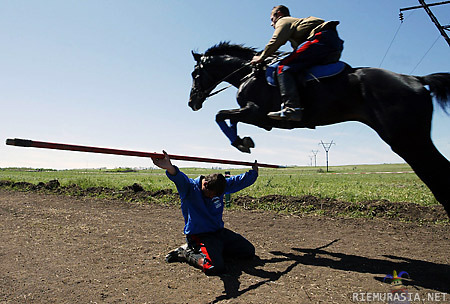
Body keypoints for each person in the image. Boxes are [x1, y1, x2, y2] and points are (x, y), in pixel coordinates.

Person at [151, 151, 258, 276]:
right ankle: (186, 252)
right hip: (200, 236)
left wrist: (254, 172)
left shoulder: (219, 186)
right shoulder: (189, 188)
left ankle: (215, 252)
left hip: (218, 233)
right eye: (211, 194)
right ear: (205, 184)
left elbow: (239, 181)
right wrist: (169, 167)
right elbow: (178, 177)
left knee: (248, 251)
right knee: (214, 267)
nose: (213, 197)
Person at [250, 5, 344, 122]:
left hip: (320, 40)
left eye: (272, 19)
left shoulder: (284, 21)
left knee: (282, 68)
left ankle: (292, 108)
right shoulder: (297, 27)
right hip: (333, 44)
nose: (271, 24)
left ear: (278, 14)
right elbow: (299, 50)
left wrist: (262, 57)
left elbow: (276, 40)